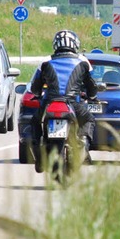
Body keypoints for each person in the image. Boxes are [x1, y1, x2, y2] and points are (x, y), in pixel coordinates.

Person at [30, 29, 98, 173]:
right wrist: (91, 96)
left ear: (56, 44)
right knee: (89, 120)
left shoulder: (45, 61)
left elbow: (35, 88)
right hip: (74, 104)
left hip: (49, 103)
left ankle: (39, 157)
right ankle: (84, 143)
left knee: (35, 121)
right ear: (75, 44)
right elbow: (92, 87)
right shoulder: (83, 61)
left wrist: (39, 93)